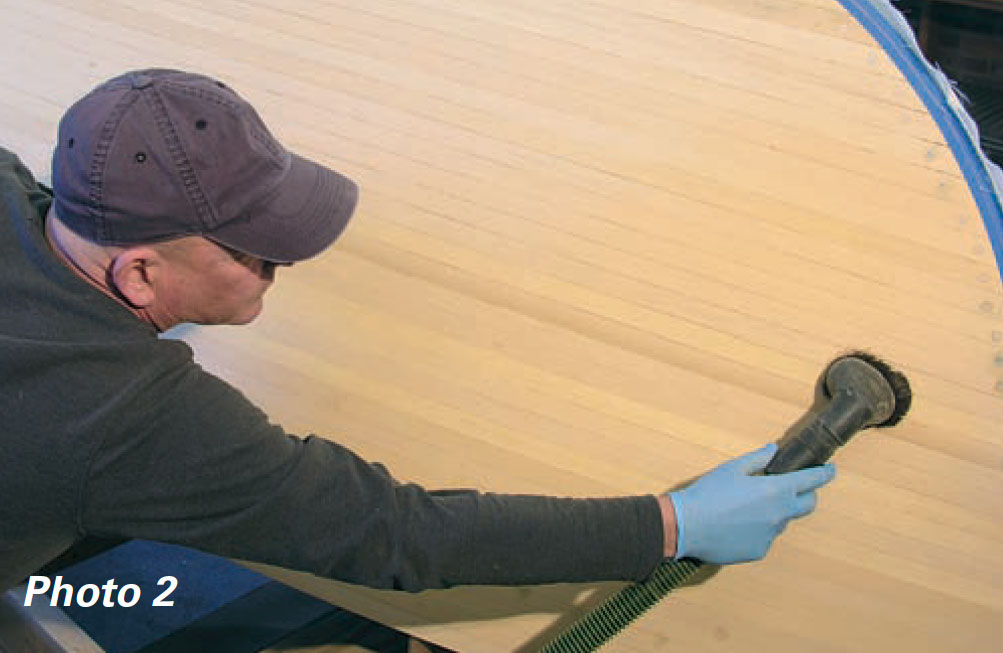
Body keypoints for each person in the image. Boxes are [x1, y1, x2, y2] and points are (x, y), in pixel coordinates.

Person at [0, 68, 835, 595]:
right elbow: (393, 532)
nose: (279, 264)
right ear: (140, 272)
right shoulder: (119, 421)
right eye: (255, 250)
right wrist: (673, 524)